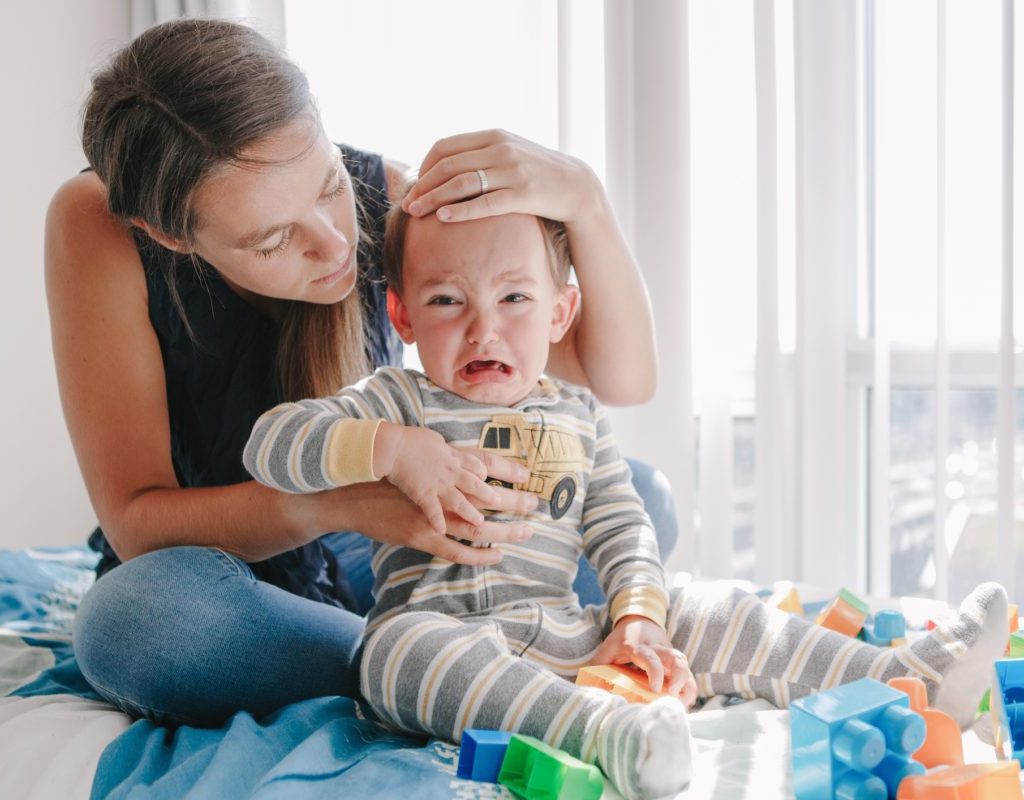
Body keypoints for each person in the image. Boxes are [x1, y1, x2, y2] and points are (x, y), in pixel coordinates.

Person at [243, 197, 1009, 800]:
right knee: (392, 651)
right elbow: (270, 446)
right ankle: (603, 734)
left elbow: (620, 524)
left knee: (704, 605)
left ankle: (904, 675)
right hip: (446, 638)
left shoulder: (577, 413)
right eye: (446, 301)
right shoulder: (395, 399)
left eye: (514, 297)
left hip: (565, 633)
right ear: (402, 315)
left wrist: (639, 620)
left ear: (559, 313)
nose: (483, 330)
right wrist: (387, 448)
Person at [48, 18, 667, 728]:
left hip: (378, 557)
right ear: (169, 236)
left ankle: (442, 665)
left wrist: (585, 200)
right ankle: (423, 663)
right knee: (136, 622)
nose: (336, 242)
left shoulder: (398, 199)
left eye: (328, 183)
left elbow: (619, 379)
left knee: (642, 498)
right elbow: (135, 523)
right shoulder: (96, 222)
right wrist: (339, 502)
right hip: (232, 571)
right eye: (275, 239)